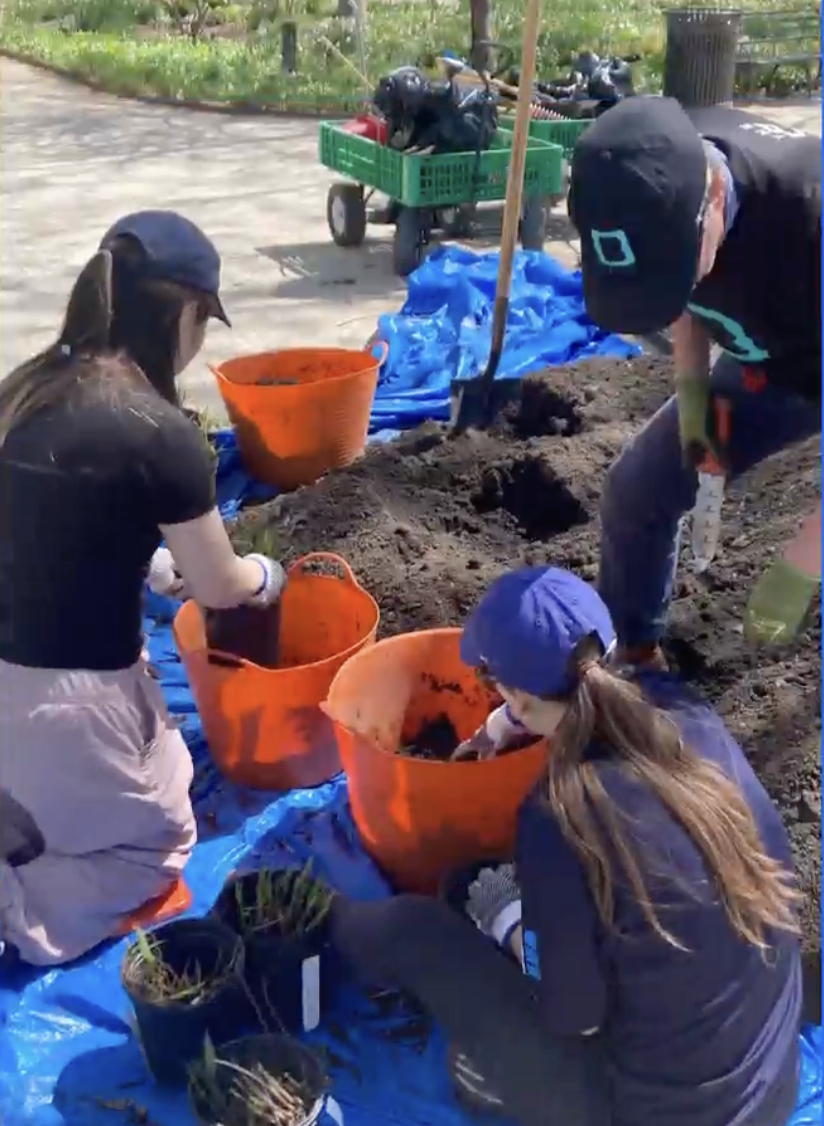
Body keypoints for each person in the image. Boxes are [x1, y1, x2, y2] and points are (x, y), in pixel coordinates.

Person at [330, 567, 803, 1126]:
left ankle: (318, 920)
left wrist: (507, 922)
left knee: (416, 927)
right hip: (771, 1085)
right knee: (467, 883)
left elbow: (573, 1017)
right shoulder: (682, 711)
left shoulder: (561, 818)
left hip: (647, 1112)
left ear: (519, 695)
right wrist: (508, 721)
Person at [0, 211, 285, 966]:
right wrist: (267, 574)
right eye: (204, 322)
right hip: (62, 700)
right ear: (185, 312)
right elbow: (222, 589)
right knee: (163, 838)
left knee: (157, 761)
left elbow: (52, 528)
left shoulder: (28, 391)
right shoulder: (158, 432)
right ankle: (19, 905)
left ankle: (28, 810)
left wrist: (149, 568)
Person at [565, 96, 820, 663]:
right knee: (637, 490)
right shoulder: (656, 166)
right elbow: (687, 305)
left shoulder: (807, 223)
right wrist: (693, 403)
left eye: (677, 273)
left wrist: (801, 565)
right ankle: (633, 660)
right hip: (766, 359)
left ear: (713, 199)